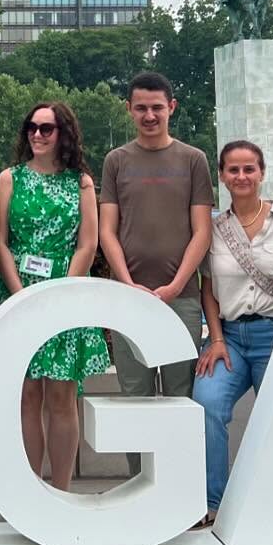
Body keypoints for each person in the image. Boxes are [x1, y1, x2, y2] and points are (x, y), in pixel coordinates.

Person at [193, 140, 273, 526]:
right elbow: (208, 288)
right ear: (222, 176)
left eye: (249, 169)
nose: (242, 176)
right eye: (234, 170)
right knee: (206, 405)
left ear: (262, 173)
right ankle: (214, 502)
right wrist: (215, 339)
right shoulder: (215, 229)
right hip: (229, 337)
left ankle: (272, 505)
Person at [98, 71, 214, 476]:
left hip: (180, 300)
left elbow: (202, 230)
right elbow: (106, 229)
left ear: (172, 108)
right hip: (128, 301)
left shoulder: (193, 159)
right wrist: (127, 284)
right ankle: (139, 485)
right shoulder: (116, 161)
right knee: (135, 398)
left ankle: (177, 487)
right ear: (129, 110)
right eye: (141, 108)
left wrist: (178, 284)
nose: (150, 115)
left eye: (157, 108)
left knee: (179, 398)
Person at [0, 102, 108, 491]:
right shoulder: (10, 179)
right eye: (32, 127)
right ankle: (31, 490)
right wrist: (21, 295)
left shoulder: (82, 182)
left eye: (47, 128)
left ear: (64, 134)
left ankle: (60, 491)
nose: (38, 135)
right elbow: (0, 243)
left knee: (62, 393)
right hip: (17, 289)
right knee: (27, 393)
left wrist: (59, 295)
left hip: (66, 291)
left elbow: (88, 244)